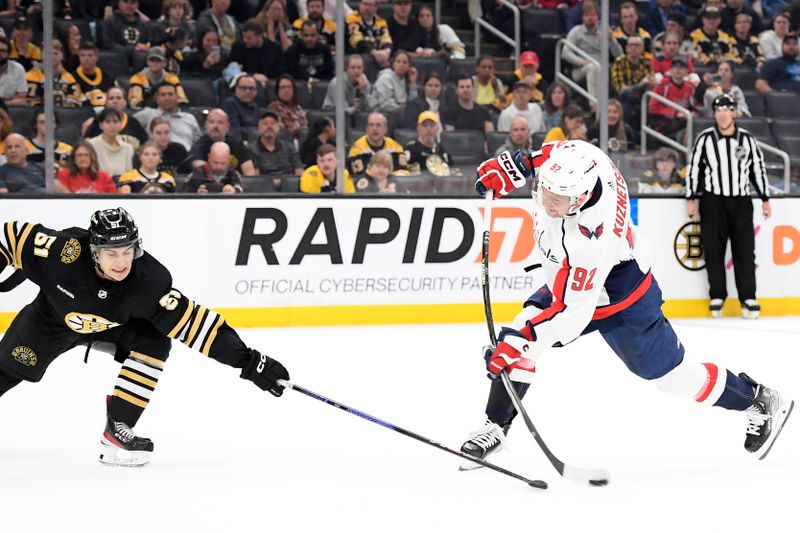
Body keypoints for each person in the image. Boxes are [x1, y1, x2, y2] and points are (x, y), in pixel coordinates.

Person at [459, 139, 793, 468]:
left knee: (675, 380)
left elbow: (568, 312)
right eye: (544, 190)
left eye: (558, 199)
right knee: (523, 337)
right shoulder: (590, 159)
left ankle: (756, 399)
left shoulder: (588, 240)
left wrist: (521, 339)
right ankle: (495, 426)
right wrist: (516, 165)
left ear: (581, 199)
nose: (547, 202)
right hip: (575, 282)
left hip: (622, 301)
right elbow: (555, 152)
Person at [0, 207, 288, 465]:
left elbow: (197, 326)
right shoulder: (64, 252)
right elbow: (11, 235)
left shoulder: (149, 282)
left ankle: (118, 427)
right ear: (94, 251)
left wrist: (250, 361)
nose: (121, 262)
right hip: (51, 319)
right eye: (111, 253)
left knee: (155, 340)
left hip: (111, 327)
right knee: (7, 370)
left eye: (127, 251)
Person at [686, 93, 771, 319]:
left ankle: (748, 297)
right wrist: (691, 198)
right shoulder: (705, 139)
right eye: (718, 110)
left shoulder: (747, 139)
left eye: (727, 110)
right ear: (714, 114)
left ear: (734, 112)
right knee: (714, 250)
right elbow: (695, 168)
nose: (723, 115)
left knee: (744, 250)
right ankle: (717, 296)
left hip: (741, 201)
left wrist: (765, 198)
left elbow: (758, 169)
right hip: (713, 201)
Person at [563, 1, 623, 100]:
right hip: (582, 69)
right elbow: (565, 52)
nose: (590, 18)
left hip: (603, 67)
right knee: (593, 67)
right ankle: (594, 104)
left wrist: (611, 39)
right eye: (587, 15)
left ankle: (615, 104)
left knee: (616, 68)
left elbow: (619, 54)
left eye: (592, 15)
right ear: (582, 17)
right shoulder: (576, 31)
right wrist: (581, 61)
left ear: (597, 16)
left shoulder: (604, 29)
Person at [133, 82, 202, 151]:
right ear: (157, 98)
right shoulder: (147, 114)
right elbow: (127, 123)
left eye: (170, 94)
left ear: (178, 97)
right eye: (163, 95)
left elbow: (199, 144)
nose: (167, 98)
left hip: (186, 157)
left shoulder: (189, 118)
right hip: (156, 157)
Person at [189, 108, 258, 176]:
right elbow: (202, 172)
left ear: (227, 126)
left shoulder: (237, 145)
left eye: (220, 122)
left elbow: (250, 173)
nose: (215, 126)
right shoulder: (198, 146)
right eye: (211, 122)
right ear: (206, 125)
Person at [84, 86, 149, 150]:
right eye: (111, 98)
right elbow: (87, 146)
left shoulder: (133, 123)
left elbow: (145, 145)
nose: (115, 101)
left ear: (125, 102)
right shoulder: (97, 122)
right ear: (106, 103)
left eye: (119, 98)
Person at [25, 40, 85, 108]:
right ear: (42, 55)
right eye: (48, 53)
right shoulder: (31, 76)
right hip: (40, 116)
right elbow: (31, 102)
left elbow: (77, 100)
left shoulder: (69, 78)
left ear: (62, 55)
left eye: (55, 53)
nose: (52, 57)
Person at [226, 19, 283, 86]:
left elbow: (280, 72)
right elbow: (230, 69)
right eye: (243, 37)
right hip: (245, 83)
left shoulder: (274, 49)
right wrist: (252, 76)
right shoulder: (238, 47)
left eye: (249, 38)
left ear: (260, 36)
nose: (245, 40)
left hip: (269, 84)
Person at [252, 110, 304, 184]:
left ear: (278, 127)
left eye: (273, 123)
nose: (269, 126)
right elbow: (255, 178)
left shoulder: (289, 147)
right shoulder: (251, 150)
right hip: (264, 189)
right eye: (265, 123)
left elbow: (299, 170)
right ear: (259, 128)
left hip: (289, 188)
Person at [88, 108, 135, 179]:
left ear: (121, 124)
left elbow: (129, 175)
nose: (112, 126)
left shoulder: (128, 148)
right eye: (108, 122)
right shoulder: (91, 145)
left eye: (115, 122)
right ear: (101, 125)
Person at [346, 0, 393, 69]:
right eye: (364, 4)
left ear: (376, 8)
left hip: (379, 58)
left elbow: (386, 40)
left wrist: (386, 53)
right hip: (357, 56)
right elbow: (356, 40)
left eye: (370, 5)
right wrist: (374, 52)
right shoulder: (351, 18)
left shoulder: (381, 21)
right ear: (360, 5)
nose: (367, 8)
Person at [403, 111, 452, 176]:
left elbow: (451, 171)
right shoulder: (410, 149)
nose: (428, 129)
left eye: (432, 125)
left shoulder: (443, 150)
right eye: (424, 125)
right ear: (418, 128)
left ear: (437, 128)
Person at [72, 40, 116, 113]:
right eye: (82, 55)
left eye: (90, 55)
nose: (86, 59)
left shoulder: (108, 77)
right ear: (79, 57)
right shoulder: (72, 78)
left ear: (97, 57)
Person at [268, 74, 309, 139]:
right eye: (283, 87)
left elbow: (305, 128)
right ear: (277, 91)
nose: (286, 90)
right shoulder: (274, 107)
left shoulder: (298, 108)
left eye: (289, 87)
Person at [0, 37, 27, 106]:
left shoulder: (18, 69)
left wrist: (3, 104)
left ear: (9, 54)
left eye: (2, 50)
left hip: (9, 110)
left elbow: (22, 99)